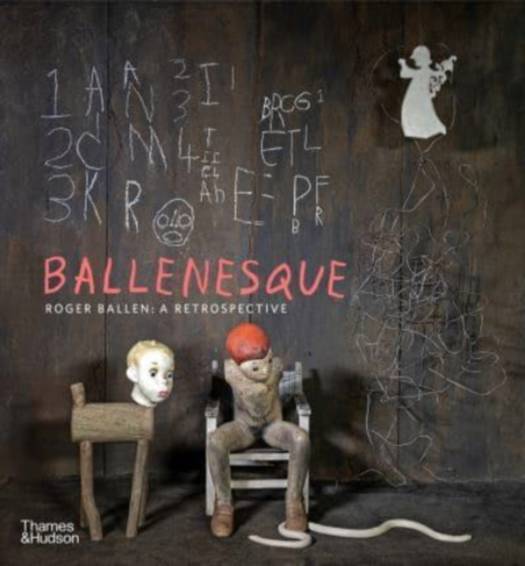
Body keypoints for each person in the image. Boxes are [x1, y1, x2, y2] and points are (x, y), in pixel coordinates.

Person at [208, 323, 310, 537]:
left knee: (301, 439)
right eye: (255, 367)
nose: (263, 369)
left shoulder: (275, 367)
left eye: (267, 360)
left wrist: (261, 373)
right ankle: (224, 504)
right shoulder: (231, 371)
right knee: (215, 441)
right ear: (238, 364)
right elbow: (250, 397)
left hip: (273, 427)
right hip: (243, 428)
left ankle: (294, 502)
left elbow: (264, 388)